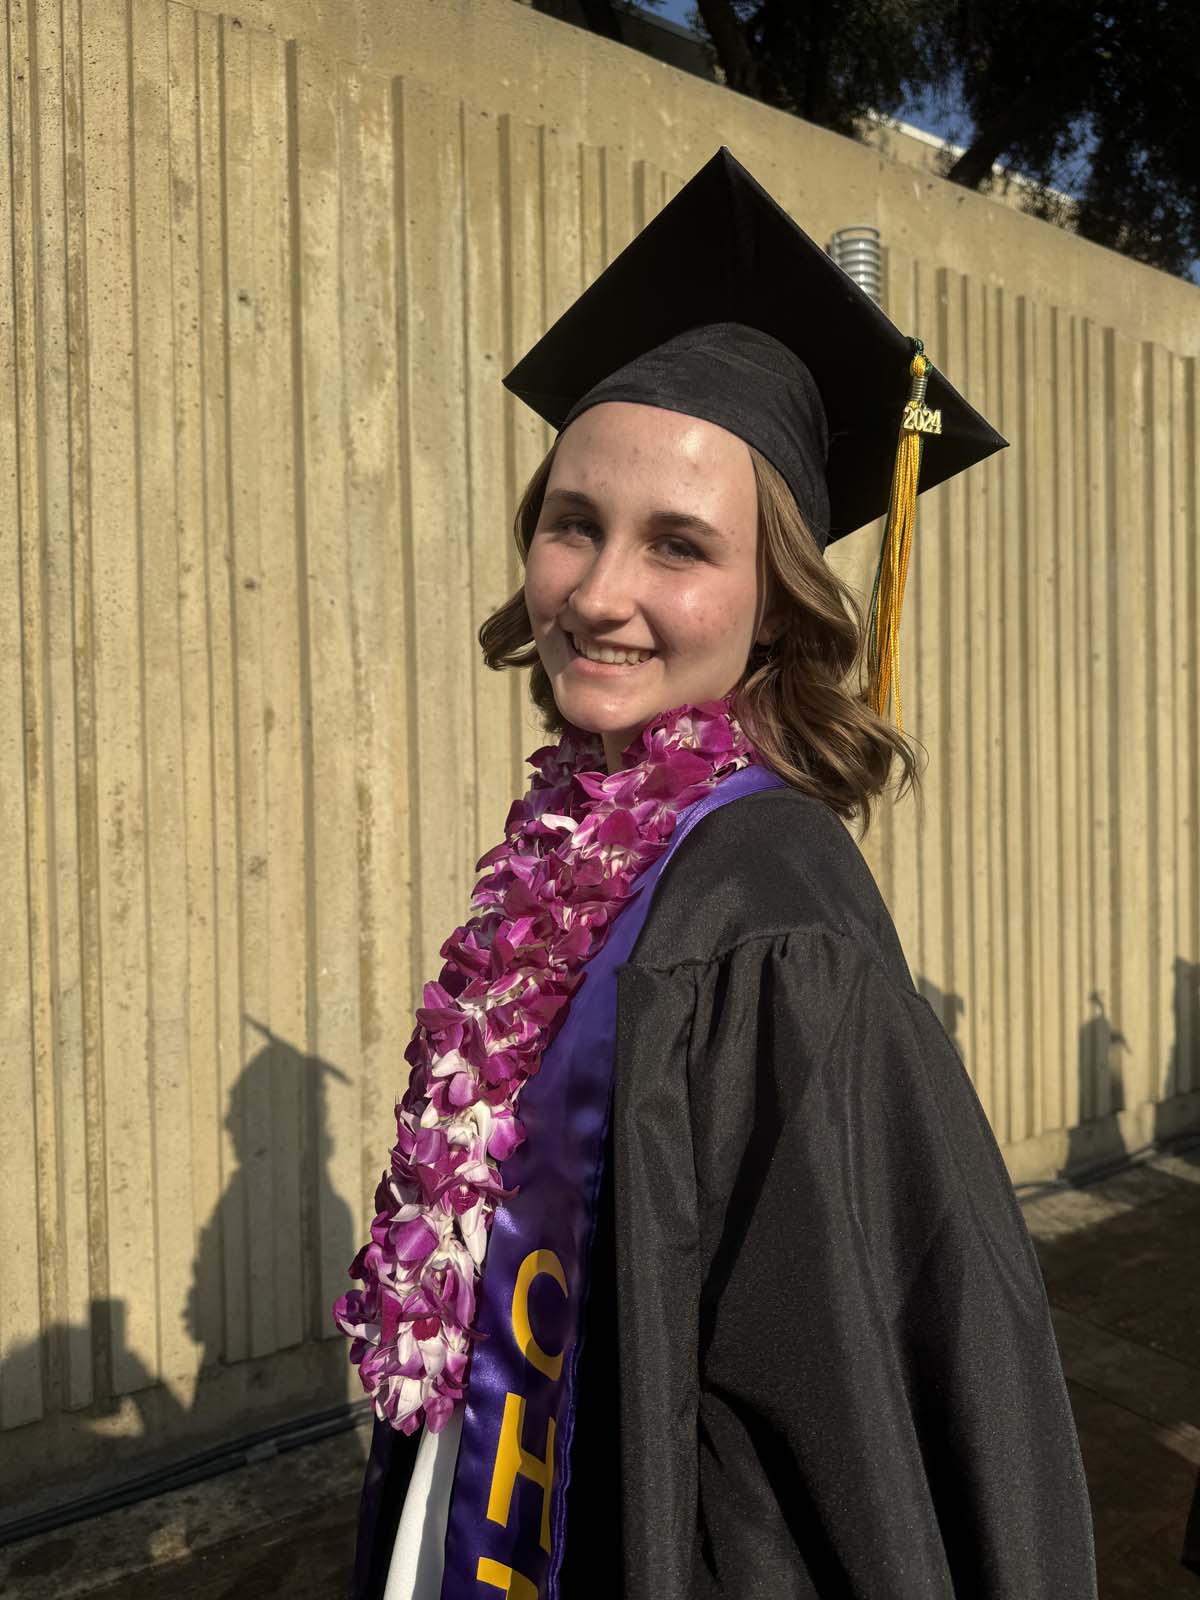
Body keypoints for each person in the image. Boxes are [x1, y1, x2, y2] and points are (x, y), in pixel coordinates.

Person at [337, 147, 1098, 1599]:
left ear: (777, 602)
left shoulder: (769, 914)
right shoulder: (577, 849)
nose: (601, 593)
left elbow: (865, 1401)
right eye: (574, 524)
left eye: (678, 545)